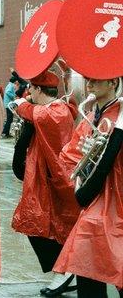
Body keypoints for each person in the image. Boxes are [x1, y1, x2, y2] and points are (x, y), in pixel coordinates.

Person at [9, 70, 79, 297]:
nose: (29, 93)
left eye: (32, 89)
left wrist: (21, 102)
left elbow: (30, 111)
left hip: (57, 179)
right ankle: (65, 269)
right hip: (47, 178)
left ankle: (66, 270)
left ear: (39, 90)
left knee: (50, 226)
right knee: (41, 225)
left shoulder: (55, 112)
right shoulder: (53, 109)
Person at [53, 76, 123, 297]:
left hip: (116, 198)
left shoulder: (119, 115)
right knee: (86, 264)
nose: (89, 85)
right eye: (88, 80)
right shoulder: (91, 116)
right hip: (95, 199)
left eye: (96, 80)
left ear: (113, 83)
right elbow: (69, 155)